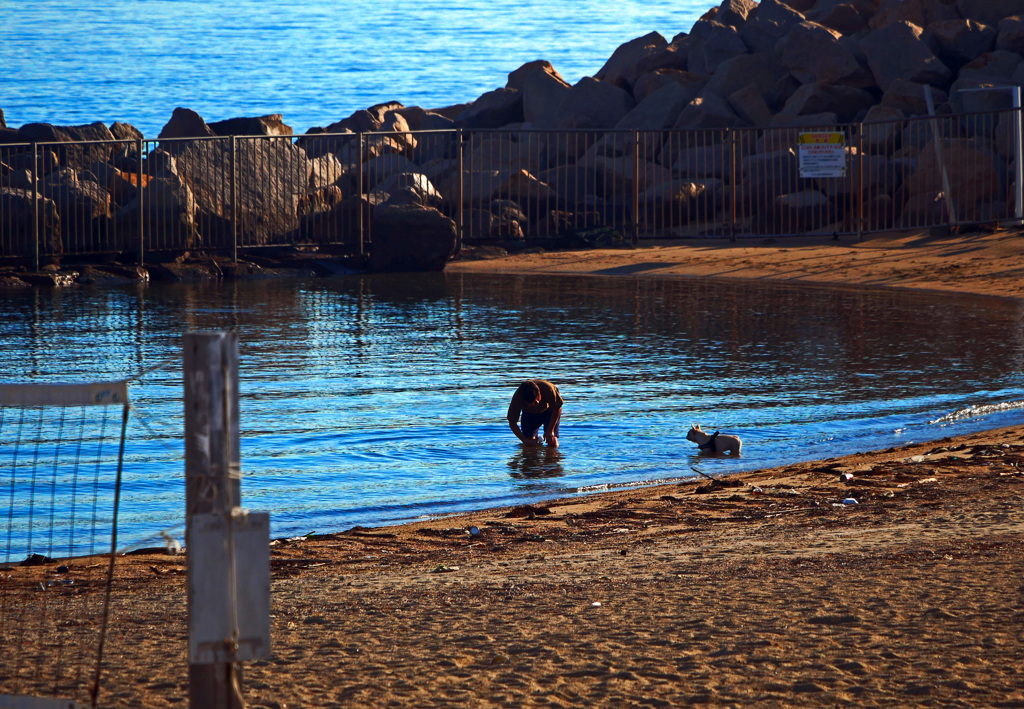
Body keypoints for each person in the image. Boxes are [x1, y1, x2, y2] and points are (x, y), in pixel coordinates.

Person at [507, 379, 563, 448]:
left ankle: (553, 453)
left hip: (549, 411)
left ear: (539, 394)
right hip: (529, 413)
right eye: (532, 404)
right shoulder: (517, 399)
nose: (536, 405)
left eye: (537, 402)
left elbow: (557, 407)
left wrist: (550, 430)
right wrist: (525, 440)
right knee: (530, 444)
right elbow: (512, 423)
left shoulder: (549, 389)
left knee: (552, 440)